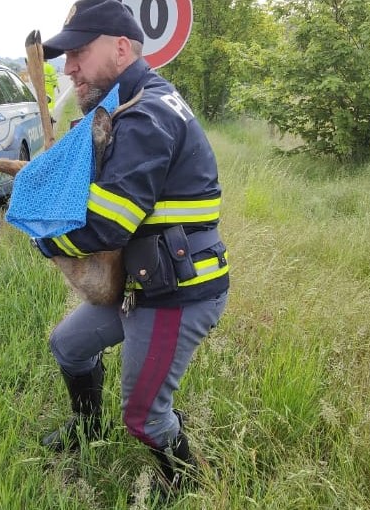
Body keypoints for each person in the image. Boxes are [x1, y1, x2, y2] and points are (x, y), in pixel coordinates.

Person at [35, 0, 229, 499]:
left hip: (177, 289)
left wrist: (43, 235)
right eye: (65, 56)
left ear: (122, 48)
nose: (69, 67)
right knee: (69, 346)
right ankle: (86, 428)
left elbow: (108, 224)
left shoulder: (146, 115)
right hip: (143, 279)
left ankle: (186, 484)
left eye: (79, 52)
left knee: (143, 416)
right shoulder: (127, 106)